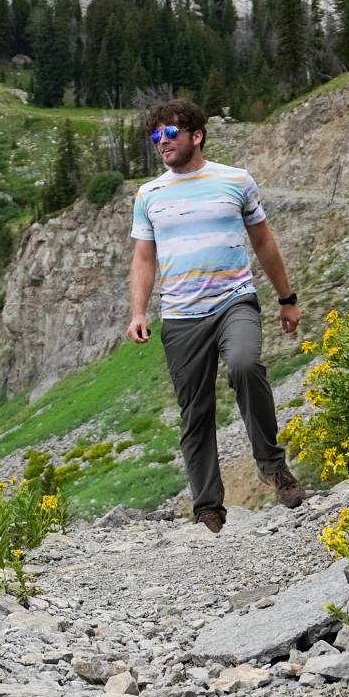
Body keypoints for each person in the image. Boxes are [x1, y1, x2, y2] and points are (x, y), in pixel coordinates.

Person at [125, 99, 306, 528]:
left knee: (246, 364)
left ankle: (272, 466)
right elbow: (143, 258)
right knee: (195, 410)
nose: (162, 143)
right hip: (181, 315)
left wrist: (286, 298)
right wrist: (138, 312)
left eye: (170, 133)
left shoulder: (236, 181)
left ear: (196, 135)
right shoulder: (149, 195)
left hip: (234, 300)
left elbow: (264, 242)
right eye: (156, 136)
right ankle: (208, 505)